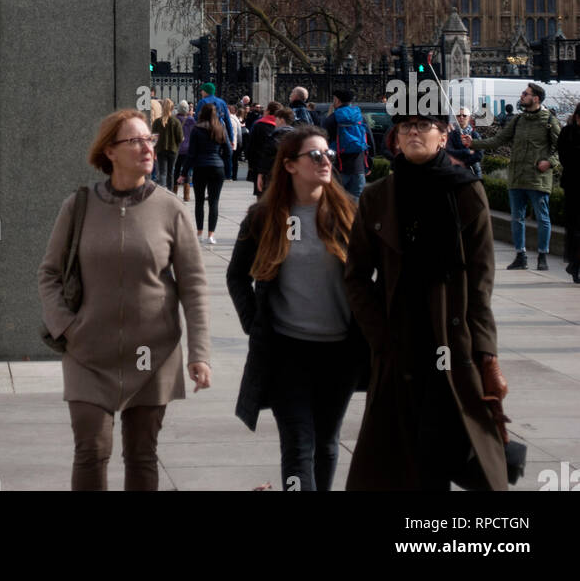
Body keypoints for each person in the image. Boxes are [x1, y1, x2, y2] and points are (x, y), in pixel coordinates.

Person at [37, 108, 210, 491]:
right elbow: (49, 273)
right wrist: (66, 326)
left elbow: (194, 285)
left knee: (142, 455)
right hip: (88, 353)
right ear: (110, 151)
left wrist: (199, 353)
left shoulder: (171, 209)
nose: (148, 147)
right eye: (135, 141)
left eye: (149, 139)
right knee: (91, 450)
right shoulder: (78, 206)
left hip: (153, 353)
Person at [345, 112, 510, 492]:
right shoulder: (377, 196)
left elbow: (482, 281)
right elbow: (355, 276)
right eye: (406, 126)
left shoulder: (467, 191)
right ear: (396, 139)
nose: (414, 132)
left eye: (424, 125)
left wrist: (486, 351)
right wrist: (379, 336)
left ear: (443, 136)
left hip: (453, 342)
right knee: (399, 457)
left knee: (446, 447)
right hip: (398, 340)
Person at [227, 126, 363, 491]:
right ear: (289, 165)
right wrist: (254, 322)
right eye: (315, 155)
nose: (325, 162)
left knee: (327, 443)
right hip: (286, 350)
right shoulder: (264, 216)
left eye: (328, 155)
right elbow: (236, 276)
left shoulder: (351, 213)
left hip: (341, 352)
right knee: (299, 445)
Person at [464, 81, 561, 270]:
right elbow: (498, 140)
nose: (521, 96)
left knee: (542, 217)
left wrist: (550, 162)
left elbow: (561, 147)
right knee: (517, 217)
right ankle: (520, 255)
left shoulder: (549, 121)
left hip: (538, 178)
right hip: (517, 176)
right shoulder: (517, 120)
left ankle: (542, 255)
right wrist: (473, 143)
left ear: (536, 98)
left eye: (525, 94)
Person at [188, 101, 230, 244]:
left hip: (200, 167)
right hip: (217, 167)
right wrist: (222, 161)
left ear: (202, 114)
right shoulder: (220, 128)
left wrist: (183, 172)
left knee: (199, 201)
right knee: (214, 202)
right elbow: (228, 150)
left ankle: (199, 232)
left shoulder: (196, 129)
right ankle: (211, 234)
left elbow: (191, 153)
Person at [323, 87, 374, 201]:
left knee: (336, 203)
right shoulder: (360, 117)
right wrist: (369, 163)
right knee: (355, 204)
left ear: (337, 101)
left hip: (338, 167)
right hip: (358, 167)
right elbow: (369, 140)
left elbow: (323, 141)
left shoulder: (331, 119)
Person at [557, 102, 580, 284]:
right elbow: (564, 157)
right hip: (573, 187)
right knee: (574, 229)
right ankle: (575, 264)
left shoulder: (566, 132)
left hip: (571, 185)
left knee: (574, 228)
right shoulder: (568, 133)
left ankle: (574, 264)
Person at [151, 98, 183, 189]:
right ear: (172, 108)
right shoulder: (176, 121)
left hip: (161, 150)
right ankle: (170, 192)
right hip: (173, 150)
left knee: (162, 172)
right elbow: (180, 138)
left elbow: (153, 139)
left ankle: (163, 190)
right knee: (170, 172)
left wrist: (154, 150)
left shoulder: (157, 122)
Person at [173, 100, 195, 201]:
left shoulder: (175, 119)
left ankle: (174, 192)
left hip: (178, 149)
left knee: (176, 170)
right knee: (187, 171)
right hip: (189, 149)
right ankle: (186, 195)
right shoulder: (191, 120)